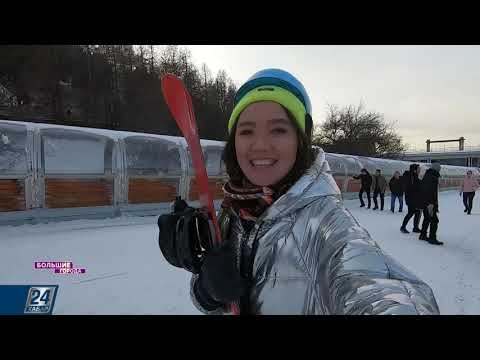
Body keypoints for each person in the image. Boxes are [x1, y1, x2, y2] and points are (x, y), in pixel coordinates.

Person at [158, 68, 439, 315]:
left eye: (278, 130)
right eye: (246, 131)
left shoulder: (325, 223)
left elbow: (376, 287)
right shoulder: (236, 210)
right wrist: (206, 290)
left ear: (300, 140)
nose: (260, 145)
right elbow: (215, 300)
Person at [419, 163, 443, 245]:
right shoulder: (432, 177)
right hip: (430, 203)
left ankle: (422, 234)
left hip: (425, 201)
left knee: (427, 218)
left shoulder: (427, 175)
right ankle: (432, 238)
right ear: (437, 169)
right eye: (439, 169)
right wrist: (431, 204)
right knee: (434, 221)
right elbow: (430, 191)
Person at [400, 164, 422, 234]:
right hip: (411, 198)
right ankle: (403, 227)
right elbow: (411, 187)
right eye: (418, 169)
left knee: (417, 212)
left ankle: (415, 228)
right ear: (414, 170)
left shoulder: (414, 176)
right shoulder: (410, 177)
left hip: (415, 198)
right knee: (411, 213)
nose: (420, 170)